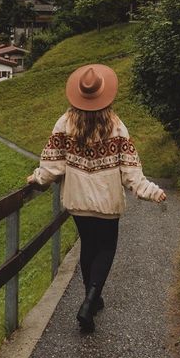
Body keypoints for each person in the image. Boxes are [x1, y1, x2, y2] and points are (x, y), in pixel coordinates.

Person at [27, 63, 166, 333]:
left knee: (88, 247)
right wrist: (151, 191)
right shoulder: (116, 126)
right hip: (107, 203)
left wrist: (37, 178)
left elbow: (53, 165)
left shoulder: (64, 123)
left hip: (77, 203)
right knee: (106, 248)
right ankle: (90, 301)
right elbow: (131, 172)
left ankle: (93, 298)